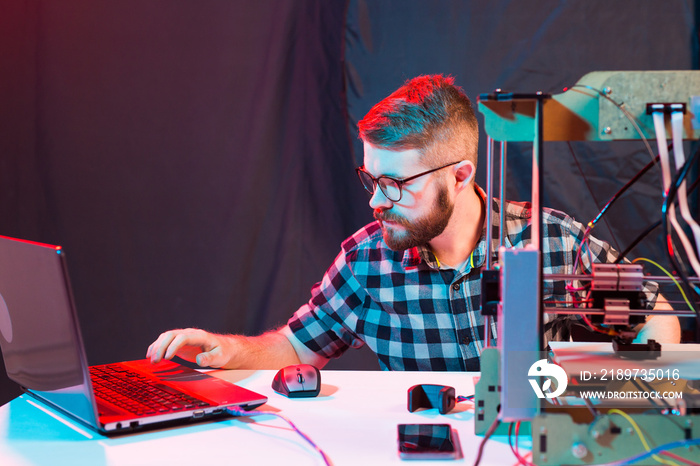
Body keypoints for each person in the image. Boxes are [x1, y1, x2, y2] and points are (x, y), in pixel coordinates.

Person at [147, 75, 680, 372]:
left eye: (398, 184)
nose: (378, 201)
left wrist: (635, 395)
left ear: (461, 175)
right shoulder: (365, 261)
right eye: (371, 178)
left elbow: (654, 312)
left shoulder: (553, 242)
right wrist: (225, 349)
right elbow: (294, 345)